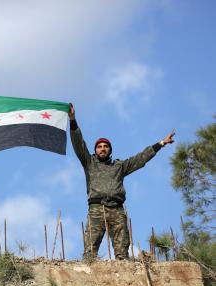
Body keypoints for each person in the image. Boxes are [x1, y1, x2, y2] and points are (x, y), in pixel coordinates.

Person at [69, 104, 175, 260]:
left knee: (122, 253)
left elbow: (140, 158)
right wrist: (72, 120)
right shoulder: (89, 162)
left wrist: (161, 144)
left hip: (117, 210)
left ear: (110, 150)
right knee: (90, 250)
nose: (102, 149)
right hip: (97, 209)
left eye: (105, 147)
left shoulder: (119, 166)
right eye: (99, 147)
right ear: (95, 150)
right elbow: (79, 143)